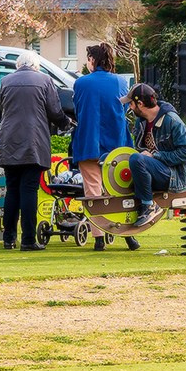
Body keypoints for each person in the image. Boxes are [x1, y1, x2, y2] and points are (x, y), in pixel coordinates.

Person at [0, 51, 72, 251]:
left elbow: (2, 106)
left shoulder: (6, 81)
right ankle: (28, 239)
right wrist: (66, 123)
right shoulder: (45, 80)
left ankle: (8, 238)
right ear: (36, 65)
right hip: (33, 142)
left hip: (8, 141)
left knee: (12, 190)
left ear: (18, 65)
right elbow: (54, 111)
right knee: (29, 190)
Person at [71, 43, 141, 251]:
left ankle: (98, 237)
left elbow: (77, 109)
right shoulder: (120, 81)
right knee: (120, 189)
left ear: (92, 59)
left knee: (92, 190)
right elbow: (126, 107)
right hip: (116, 144)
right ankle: (127, 234)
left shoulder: (81, 83)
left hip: (88, 142)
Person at [121, 83, 186, 227]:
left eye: (131, 104)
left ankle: (149, 206)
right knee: (130, 159)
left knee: (137, 159)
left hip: (176, 177)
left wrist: (155, 155)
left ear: (140, 104)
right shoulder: (141, 123)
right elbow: (140, 151)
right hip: (156, 172)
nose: (130, 107)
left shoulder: (171, 120)